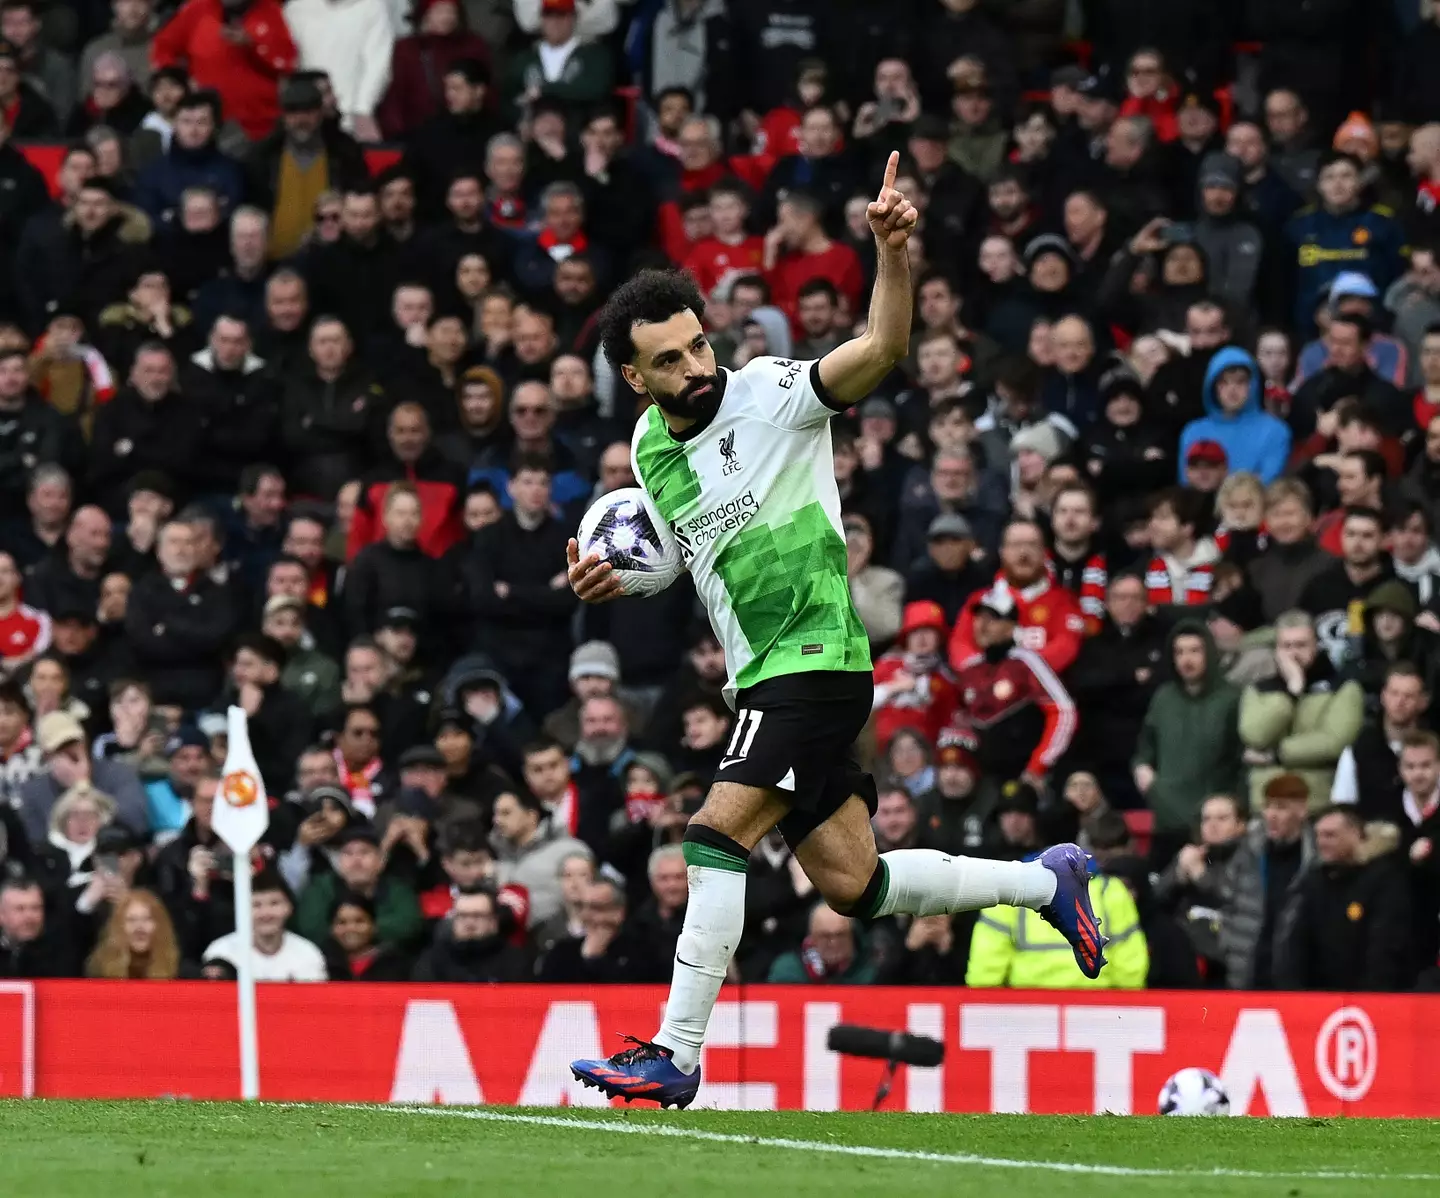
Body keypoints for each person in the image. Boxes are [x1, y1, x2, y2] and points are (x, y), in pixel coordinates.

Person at [567, 155, 1105, 1109]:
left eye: (700, 346)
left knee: (712, 837)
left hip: (814, 664)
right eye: (671, 360)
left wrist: (893, 255)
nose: (697, 368)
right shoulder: (651, 451)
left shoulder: (771, 391)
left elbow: (881, 349)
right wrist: (615, 582)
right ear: (632, 375)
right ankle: (1045, 884)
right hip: (762, 676)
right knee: (854, 883)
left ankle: (676, 1052)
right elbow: (692, 556)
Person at [1132, 620, 1244, 867]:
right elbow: (1144, 749)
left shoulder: (1231, 698)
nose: (1186, 659)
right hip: (1167, 820)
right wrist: (1145, 776)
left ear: (1210, 652)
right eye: (1179, 652)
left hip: (1213, 824)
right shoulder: (1164, 697)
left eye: (1195, 650)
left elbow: (1240, 759)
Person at [1275, 805, 1412, 992]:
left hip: (1369, 1001)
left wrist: (1371, 997)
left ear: (1355, 835)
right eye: (1318, 836)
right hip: (1317, 1000)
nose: (1321, 842)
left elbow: (1384, 946)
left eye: (1330, 835)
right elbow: (1296, 943)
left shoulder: (1384, 878)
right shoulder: (1313, 881)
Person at [202, 870, 327, 981]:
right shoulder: (222, 952)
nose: (266, 913)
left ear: (289, 908)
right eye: (256, 905)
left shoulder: (307, 954)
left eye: (274, 903)